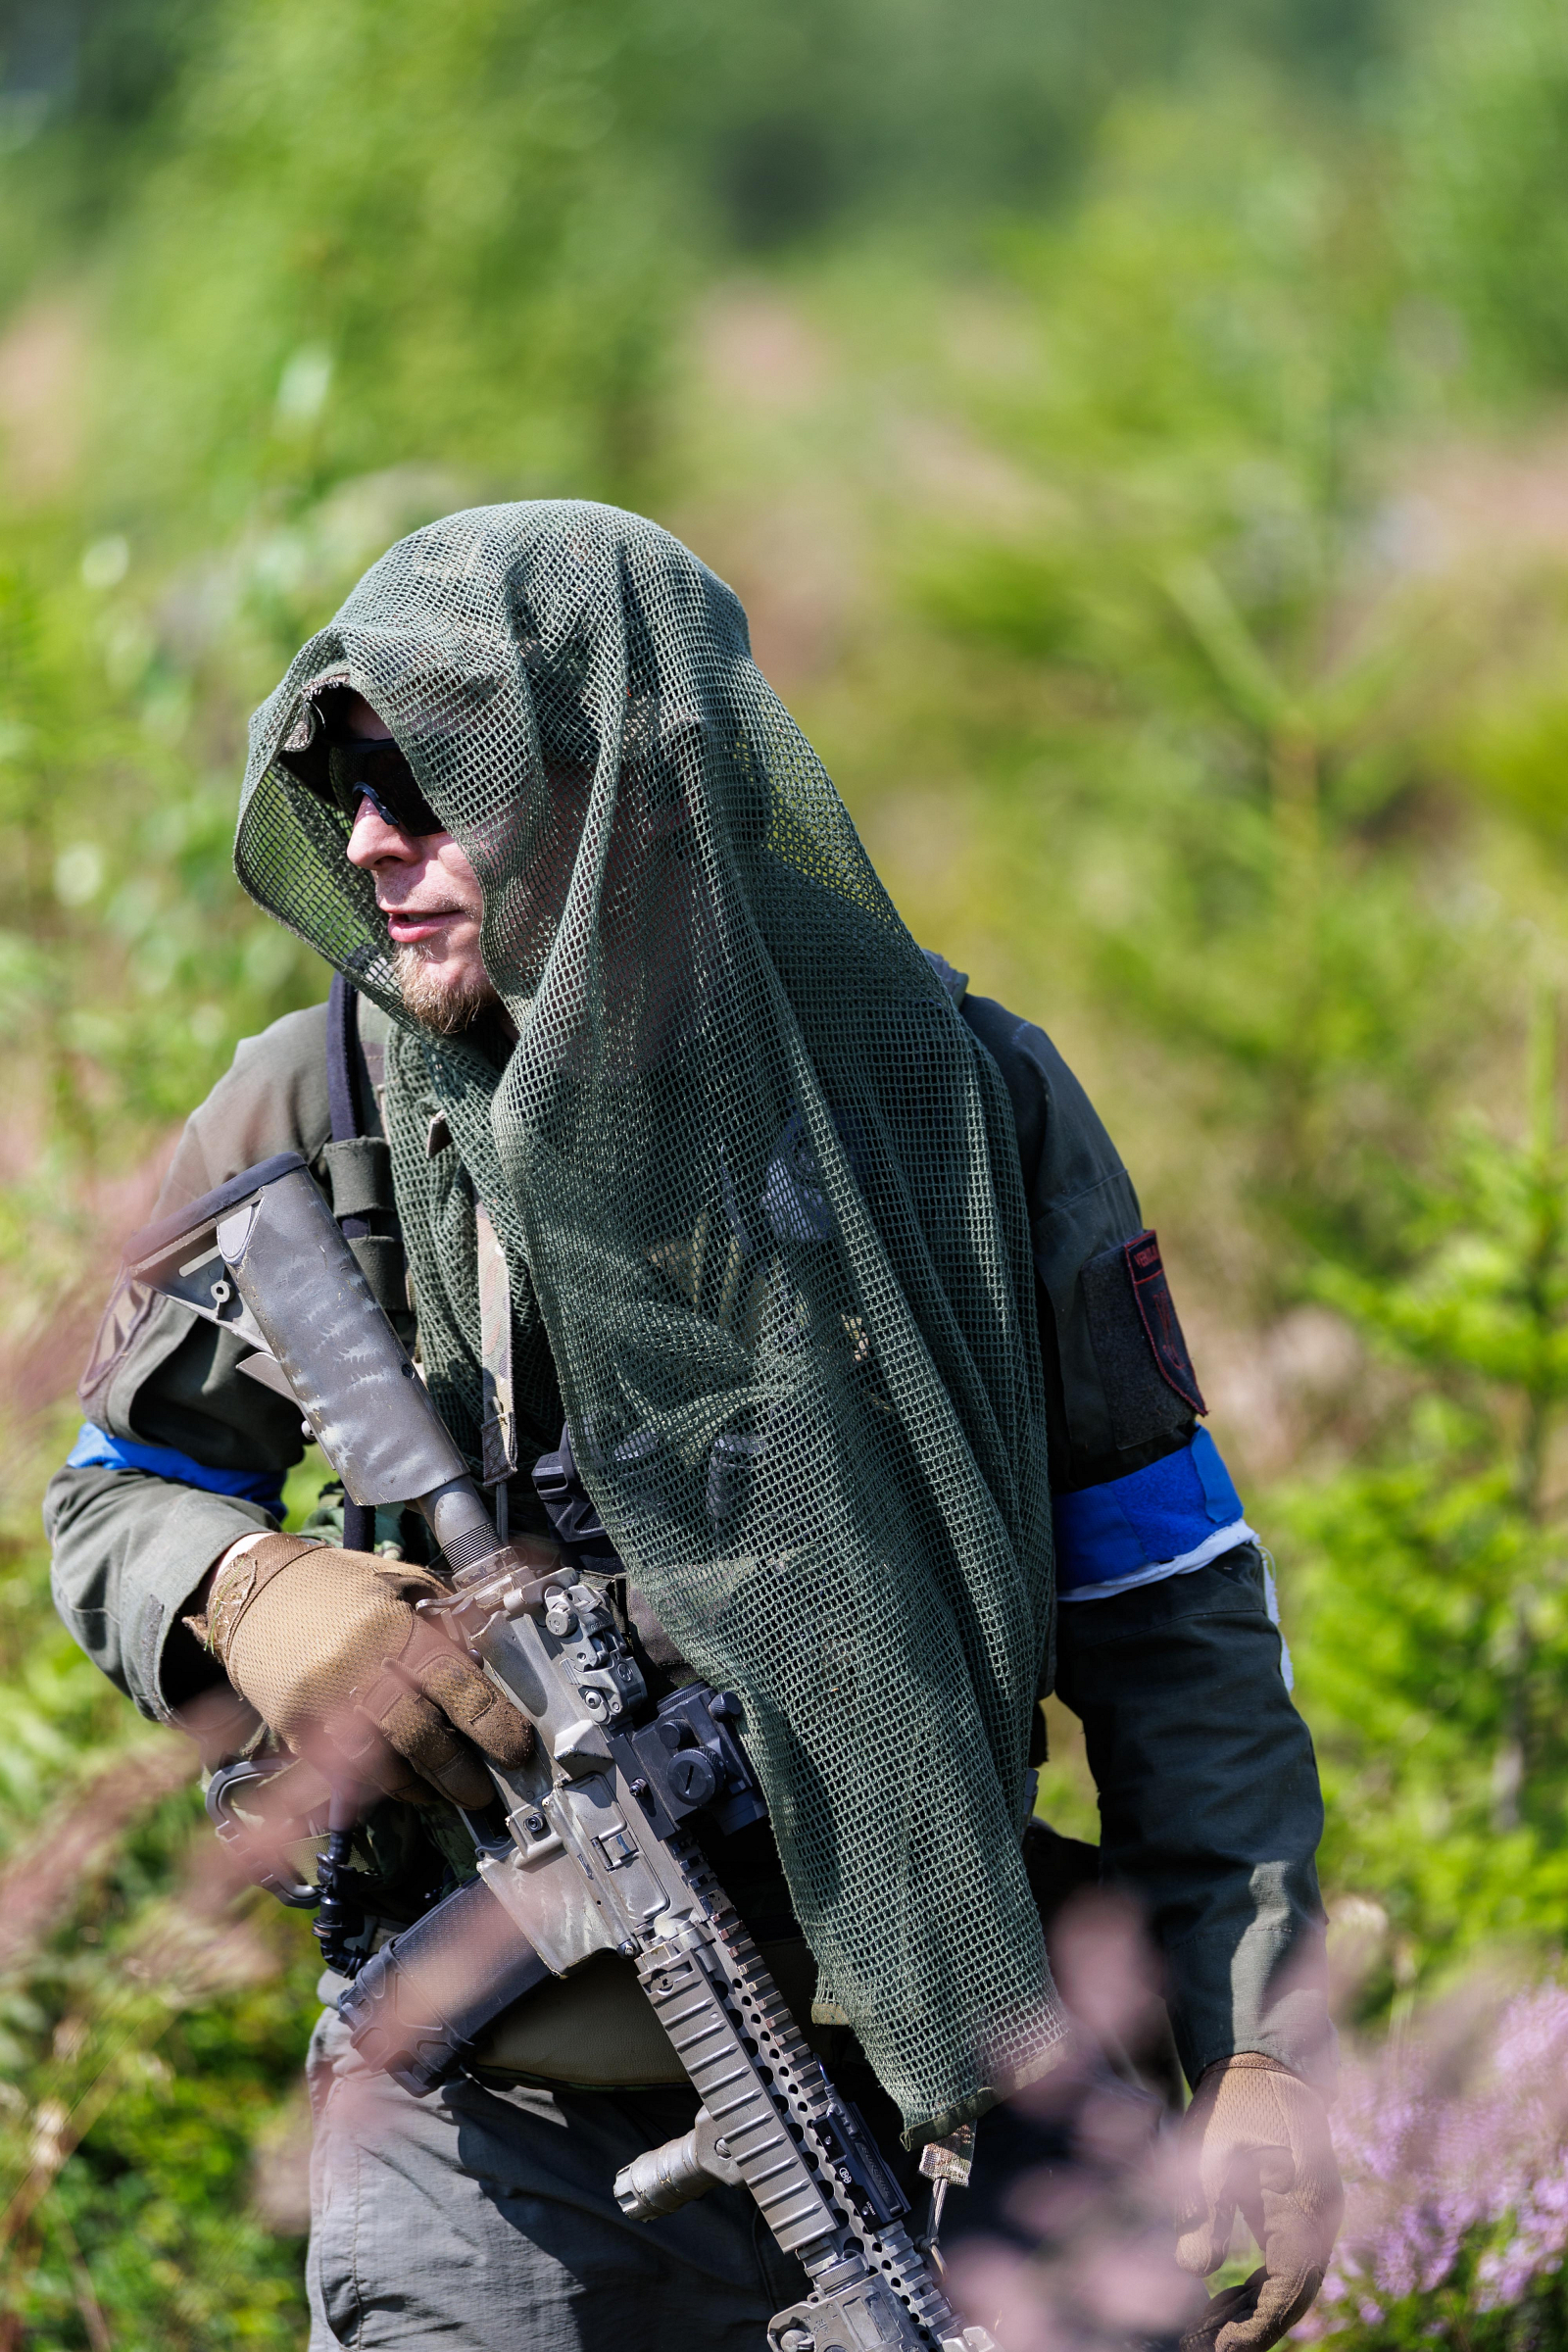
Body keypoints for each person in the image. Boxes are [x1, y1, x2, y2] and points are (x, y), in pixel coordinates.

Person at [47, 501, 1341, 2352]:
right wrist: (252, 1596)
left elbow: (1167, 1595)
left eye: (426, 781)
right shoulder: (317, 1112)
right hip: (499, 2156)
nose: (370, 841)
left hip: (953, 2095)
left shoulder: (950, 1098)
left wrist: (1258, 2032)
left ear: (631, 796)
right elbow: (117, 1497)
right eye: (340, 783)